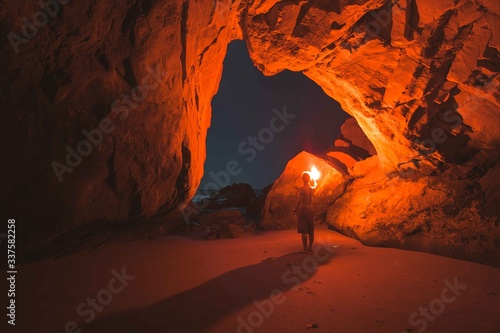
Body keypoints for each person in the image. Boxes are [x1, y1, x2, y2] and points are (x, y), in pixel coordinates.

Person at [294, 172, 315, 253]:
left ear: (303, 179)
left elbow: (300, 200)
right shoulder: (312, 189)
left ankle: (305, 249)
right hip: (311, 210)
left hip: (303, 210)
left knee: (304, 230)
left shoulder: (302, 189)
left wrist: (295, 209)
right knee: (311, 230)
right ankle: (310, 248)